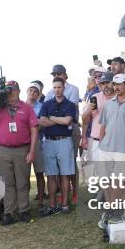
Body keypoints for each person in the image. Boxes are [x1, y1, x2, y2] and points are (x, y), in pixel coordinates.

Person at [0, 81, 38, 225]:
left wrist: (32, 151)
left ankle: (24, 210)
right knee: (7, 183)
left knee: (22, 182)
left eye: (13, 90)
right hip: (3, 150)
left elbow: (34, 129)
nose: (10, 92)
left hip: (22, 149)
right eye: (8, 90)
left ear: (18, 91)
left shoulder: (27, 108)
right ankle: (9, 212)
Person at [98, 73, 125, 225]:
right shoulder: (109, 104)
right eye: (114, 85)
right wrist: (101, 144)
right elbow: (102, 126)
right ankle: (117, 211)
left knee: (119, 182)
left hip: (123, 150)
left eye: (119, 84)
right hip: (105, 149)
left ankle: (113, 212)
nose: (115, 87)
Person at [39, 78, 77, 215]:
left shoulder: (71, 105)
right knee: (51, 175)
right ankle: (53, 205)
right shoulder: (47, 104)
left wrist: (52, 118)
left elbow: (68, 120)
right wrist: (59, 120)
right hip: (49, 141)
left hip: (64, 141)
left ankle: (65, 204)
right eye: (54, 87)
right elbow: (41, 122)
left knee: (65, 174)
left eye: (59, 87)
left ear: (64, 88)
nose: (57, 90)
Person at [45, 65, 81, 204]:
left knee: (70, 162)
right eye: (54, 73)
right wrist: (57, 118)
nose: (57, 75)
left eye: (59, 73)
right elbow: (46, 111)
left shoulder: (73, 89)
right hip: (54, 131)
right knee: (58, 166)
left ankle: (75, 193)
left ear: (65, 74)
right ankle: (64, 193)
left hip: (71, 129)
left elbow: (67, 110)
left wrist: (53, 117)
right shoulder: (50, 91)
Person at [81, 72, 116, 178]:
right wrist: (84, 138)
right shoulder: (95, 97)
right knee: (101, 173)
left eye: (107, 83)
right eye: (102, 84)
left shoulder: (121, 96)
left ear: (114, 83)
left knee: (116, 174)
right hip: (97, 142)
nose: (104, 86)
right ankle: (105, 194)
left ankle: (113, 195)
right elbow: (85, 120)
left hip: (116, 141)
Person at [25, 82, 46, 209]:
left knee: (39, 172)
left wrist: (33, 123)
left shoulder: (42, 107)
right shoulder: (20, 106)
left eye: (35, 91)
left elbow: (42, 123)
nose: (32, 93)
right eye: (30, 91)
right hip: (23, 143)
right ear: (27, 92)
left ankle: (41, 200)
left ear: (38, 94)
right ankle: (25, 201)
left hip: (37, 141)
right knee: (24, 174)